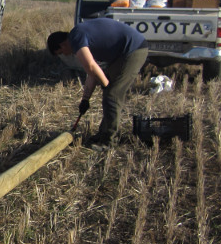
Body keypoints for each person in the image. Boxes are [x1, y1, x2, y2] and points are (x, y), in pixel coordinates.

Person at [47, 17, 148, 148]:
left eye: (61, 53)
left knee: (112, 95)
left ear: (62, 44)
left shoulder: (76, 37)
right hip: (122, 54)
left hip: (133, 49)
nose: (65, 55)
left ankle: (109, 141)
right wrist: (85, 99)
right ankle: (103, 134)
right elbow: (92, 73)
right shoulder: (80, 37)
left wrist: (106, 85)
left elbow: (90, 66)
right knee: (110, 93)